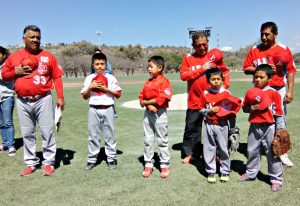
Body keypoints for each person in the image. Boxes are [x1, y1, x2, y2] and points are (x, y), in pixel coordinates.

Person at [2, 25, 65, 176]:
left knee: (47, 131)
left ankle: (48, 162)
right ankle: (31, 163)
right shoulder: (15, 56)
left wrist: (61, 97)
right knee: (27, 133)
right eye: (32, 37)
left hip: (43, 98)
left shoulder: (48, 56)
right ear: (24, 38)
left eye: (38, 37)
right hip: (22, 101)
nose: (36, 40)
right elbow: (4, 75)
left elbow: (57, 76)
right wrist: (14, 72)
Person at [243, 22, 296, 167]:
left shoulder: (283, 49)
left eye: (267, 34)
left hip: (278, 90)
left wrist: (290, 91)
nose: (264, 37)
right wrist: (261, 69)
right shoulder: (255, 49)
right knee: (258, 118)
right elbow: (246, 68)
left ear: (275, 34)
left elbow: (291, 71)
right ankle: (258, 148)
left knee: (279, 119)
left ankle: (281, 152)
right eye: (262, 34)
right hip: (259, 90)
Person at [180, 31, 230, 164]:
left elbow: (225, 72)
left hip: (214, 101)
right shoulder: (188, 57)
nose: (202, 48)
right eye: (198, 45)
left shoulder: (214, 56)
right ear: (193, 45)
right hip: (195, 100)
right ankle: (191, 154)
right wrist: (202, 69)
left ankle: (218, 154)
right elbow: (184, 76)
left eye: (204, 44)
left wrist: (225, 86)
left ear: (208, 42)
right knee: (192, 128)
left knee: (217, 128)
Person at [239, 64, 285, 192]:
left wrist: (279, 130)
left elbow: (278, 113)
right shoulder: (251, 92)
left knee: (272, 152)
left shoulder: (274, 93)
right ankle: (251, 173)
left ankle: (276, 179)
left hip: (269, 127)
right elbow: (244, 108)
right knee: (252, 150)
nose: (258, 79)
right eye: (256, 77)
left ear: (269, 78)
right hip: (254, 126)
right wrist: (250, 108)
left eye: (261, 77)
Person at [81, 52, 121, 170]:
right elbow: (84, 96)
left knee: (109, 134)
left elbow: (118, 94)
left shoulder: (111, 78)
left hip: (108, 108)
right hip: (93, 108)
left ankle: (111, 158)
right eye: (97, 64)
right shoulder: (89, 79)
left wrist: (105, 89)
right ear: (93, 65)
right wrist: (90, 87)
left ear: (106, 65)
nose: (99, 66)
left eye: (102, 64)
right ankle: (92, 158)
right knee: (93, 135)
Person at [200, 68, 240, 183]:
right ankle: (211, 171)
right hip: (208, 124)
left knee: (223, 148)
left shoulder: (226, 93)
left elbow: (232, 113)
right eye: (213, 79)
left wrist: (233, 128)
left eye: (218, 79)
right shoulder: (205, 93)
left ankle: (225, 171)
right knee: (209, 148)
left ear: (222, 80)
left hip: (222, 125)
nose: (216, 81)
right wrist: (208, 111)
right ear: (208, 81)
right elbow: (200, 110)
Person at [138, 56, 172, 179]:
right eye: (148, 67)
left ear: (160, 68)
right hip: (148, 114)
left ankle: (164, 164)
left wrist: (148, 103)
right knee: (148, 140)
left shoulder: (165, 82)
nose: (149, 69)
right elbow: (141, 98)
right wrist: (148, 106)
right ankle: (148, 164)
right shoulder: (147, 82)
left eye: (151, 67)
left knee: (162, 140)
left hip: (160, 114)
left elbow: (162, 99)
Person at [0, 46, 16, 156]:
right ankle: (5, 143)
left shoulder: (8, 65)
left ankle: (11, 145)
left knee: (8, 122)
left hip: (7, 97)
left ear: (3, 55)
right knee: (1, 124)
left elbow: (6, 78)